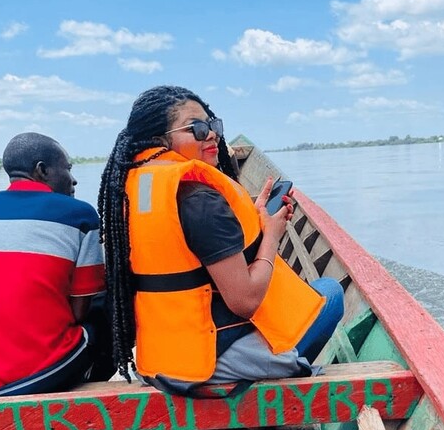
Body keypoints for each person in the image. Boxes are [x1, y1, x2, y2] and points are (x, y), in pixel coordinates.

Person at [98, 86, 344, 395]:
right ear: (160, 139)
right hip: (208, 363)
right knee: (329, 293)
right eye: (197, 129)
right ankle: (259, 390)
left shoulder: (130, 187)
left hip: (161, 357)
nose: (211, 134)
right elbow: (245, 302)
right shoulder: (199, 199)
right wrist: (270, 235)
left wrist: (252, 220)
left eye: (213, 125)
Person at [0, 132, 113, 398]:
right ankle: (90, 380)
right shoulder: (80, 215)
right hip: (38, 372)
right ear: (42, 170)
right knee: (105, 302)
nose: (73, 179)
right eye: (68, 169)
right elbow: (79, 312)